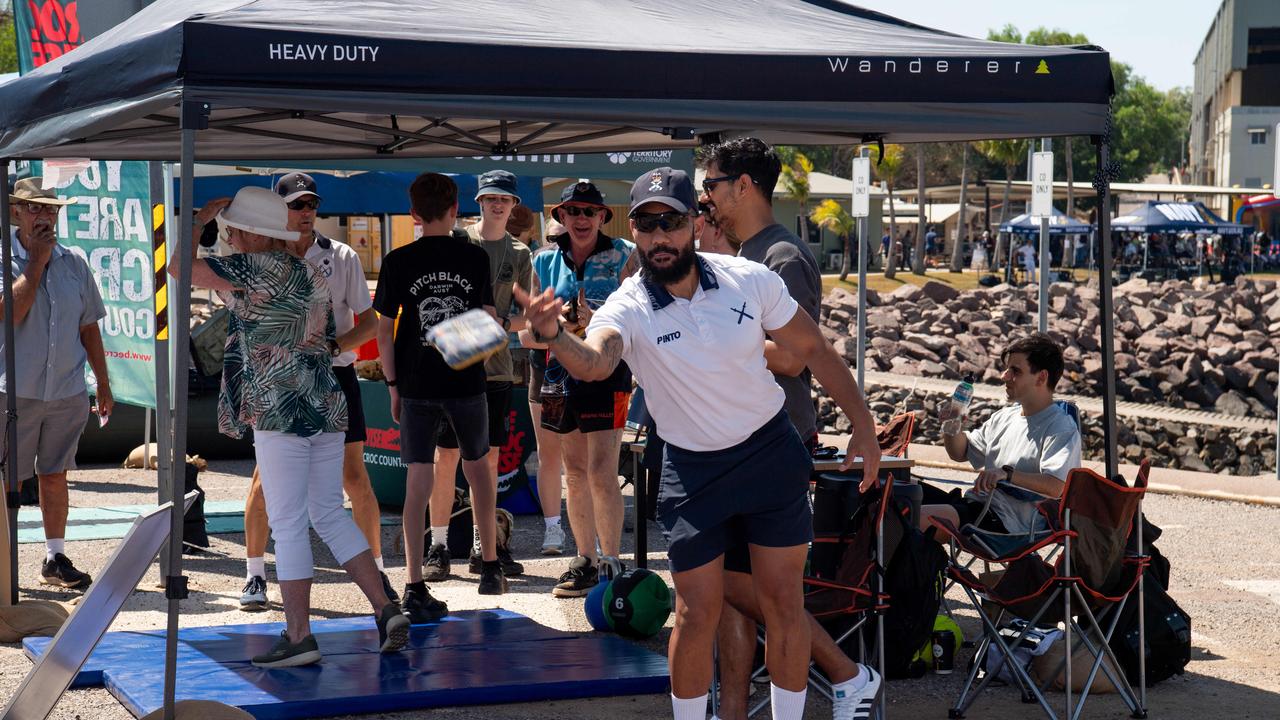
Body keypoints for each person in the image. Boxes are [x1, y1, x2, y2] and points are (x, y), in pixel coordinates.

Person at [516, 166, 882, 720]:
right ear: (633, 231)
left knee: (784, 605)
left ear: (695, 222)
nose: (659, 236)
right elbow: (596, 361)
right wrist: (555, 337)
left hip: (769, 454)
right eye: (646, 224)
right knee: (694, 613)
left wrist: (864, 425)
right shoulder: (628, 304)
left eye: (672, 221)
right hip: (691, 470)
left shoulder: (747, 278)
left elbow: (814, 349)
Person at [180, 187, 407, 667]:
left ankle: (300, 635)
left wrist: (199, 220)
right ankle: (386, 608)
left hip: (278, 407)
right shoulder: (308, 270)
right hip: (325, 403)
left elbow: (180, 270)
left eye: (232, 230)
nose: (229, 237)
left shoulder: (252, 267)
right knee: (329, 513)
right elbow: (326, 337)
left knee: (287, 521)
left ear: (248, 233)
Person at [693, 190, 882, 720]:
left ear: (743, 186)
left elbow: (801, 355)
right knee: (731, 590)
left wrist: (712, 342)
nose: (704, 209)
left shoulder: (781, 257)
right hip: (730, 441)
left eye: (709, 194)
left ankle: (845, 672)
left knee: (749, 587)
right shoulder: (742, 257)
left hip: (777, 439)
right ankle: (732, 708)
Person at [237, 173, 396, 611]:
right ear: (278, 210)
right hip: (279, 378)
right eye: (296, 205)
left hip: (332, 375)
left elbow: (371, 319)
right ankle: (254, 576)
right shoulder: (262, 255)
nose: (305, 213)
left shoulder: (340, 255)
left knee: (353, 477)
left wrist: (333, 346)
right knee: (264, 482)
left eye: (311, 205)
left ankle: (378, 570)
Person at [374, 173, 506, 607]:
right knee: (479, 472)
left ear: (413, 214)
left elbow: (383, 329)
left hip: (415, 385)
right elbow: (488, 321)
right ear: (455, 211)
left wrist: (392, 385)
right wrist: (475, 365)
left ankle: (413, 583)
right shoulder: (473, 258)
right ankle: (489, 565)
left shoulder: (397, 260)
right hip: (466, 383)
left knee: (418, 482)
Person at [526, 181, 637, 597]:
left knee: (603, 471)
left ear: (603, 216)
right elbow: (530, 332)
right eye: (573, 211)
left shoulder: (625, 254)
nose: (582, 219)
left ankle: (611, 561)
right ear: (561, 217)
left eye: (590, 212)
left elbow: (643, 315)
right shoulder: (543, 260)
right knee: (573, 471)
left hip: (608, 372)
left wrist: (594, 324)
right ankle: (585, 559)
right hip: (558, 377)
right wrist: (558, 328)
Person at [1, 177, 109, 591]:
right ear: (15, 212)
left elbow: (89, 328)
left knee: (55, 472)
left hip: (64, 389)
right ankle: (3, 559)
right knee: (6, 480)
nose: (44, 216)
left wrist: (102, 382)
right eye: (35, 208)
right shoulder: (4, 258)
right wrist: (35, 263)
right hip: (13, 389)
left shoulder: (75, 262)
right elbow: (9, 313)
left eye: (51, 209)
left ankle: (54, 556)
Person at [425, 170, 530, 582]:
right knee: (446, 458)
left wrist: (498, 321)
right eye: (490, 198)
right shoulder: (456, 241)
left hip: (497, 370)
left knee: (487, 461)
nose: (498, 204)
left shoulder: (520, 252)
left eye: (505, 198)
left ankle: (482, 546)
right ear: (479, 202)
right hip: (453, 369)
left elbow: (527, 318)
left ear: (513, 205)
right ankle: (436, 546)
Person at [919, 333, 1081, 541]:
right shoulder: (1005, 416)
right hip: (977, 506)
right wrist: (952, 425)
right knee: (900, 492)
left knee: (914, 516)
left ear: (1041, 377)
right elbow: (959, 453)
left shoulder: (1059, 426)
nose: (1004, 376)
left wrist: (1006, 474)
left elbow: (1056, 486)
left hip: (1006, 521)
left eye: (1015, 371)